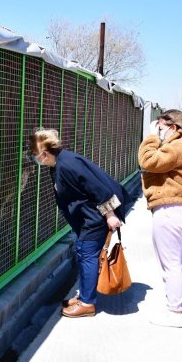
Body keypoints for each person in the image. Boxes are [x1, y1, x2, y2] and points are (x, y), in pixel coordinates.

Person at [29, 127, 131, 318]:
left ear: (44, 152)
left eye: (35, 154)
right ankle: (84, 295)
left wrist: (110, 215)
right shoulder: (59, 163)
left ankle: (87, 303)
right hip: (87, 218)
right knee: (84, 253)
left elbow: (97, 188)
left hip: (94, 219)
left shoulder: (67, 164)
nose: (35, 158)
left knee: (87, 255)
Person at [139, 109, 182, 328]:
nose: (159, 131)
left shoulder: (178, 146)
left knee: (170, 264)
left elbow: (148, 161)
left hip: (170, 209)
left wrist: (150, 137)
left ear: (174, 127)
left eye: (161, 127)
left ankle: (175, 311)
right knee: (180, 261)